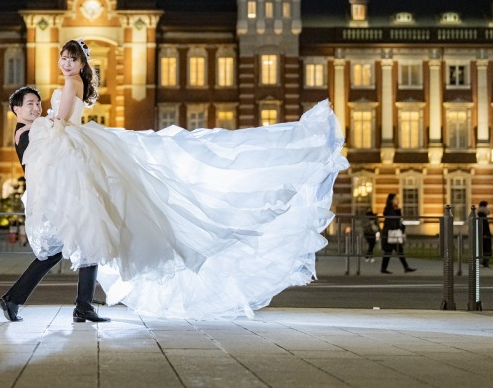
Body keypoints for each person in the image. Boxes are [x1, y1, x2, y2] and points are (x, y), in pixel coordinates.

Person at [21, 39, 349, 320]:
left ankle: (70, 304)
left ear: (81, 64)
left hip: (72, 151)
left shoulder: (70, 85)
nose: (66, 63)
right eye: (63, 58)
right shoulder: (73, 84)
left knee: (88, 229)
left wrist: (37, 128)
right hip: (79, 149)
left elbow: (62, 121)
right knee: (90, 229)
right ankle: (75, 305)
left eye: (72, 58)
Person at [0, 85, 109, 323]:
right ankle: (82, 306)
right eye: (30, 104)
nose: (36, 108)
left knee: (59, 251)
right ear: (16, 109)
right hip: (54, 198)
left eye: (38, 103)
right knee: (85, 244)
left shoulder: (35, 129)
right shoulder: (25, 133)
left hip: (55, 197)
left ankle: (15, 299)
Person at [380, 193, 416, 274]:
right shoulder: (389, 209)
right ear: (391, 200)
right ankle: (385, 268)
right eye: (396, 199)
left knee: (397, 250)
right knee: (390, 251)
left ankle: (405, 267)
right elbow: (392, 221)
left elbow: (398, 220)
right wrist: (398, 228)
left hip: (394, 233)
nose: (397, 200)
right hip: (391, 233)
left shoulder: (395, 209)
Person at [478, 201, 491, 268]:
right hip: (485, 235)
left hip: (483, 234)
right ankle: (484, 262)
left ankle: (484, 262)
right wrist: (485, 234)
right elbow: (484, 226)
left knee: (484, 248)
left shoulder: (480, 215)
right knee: (486, 248)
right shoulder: (482, 216)